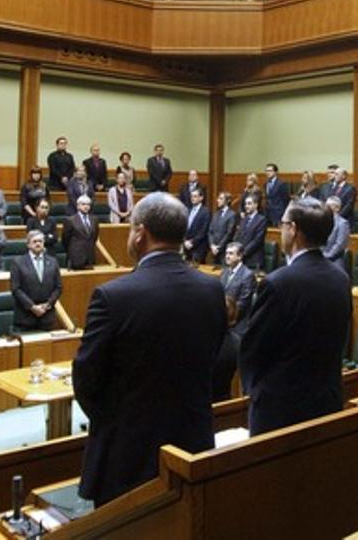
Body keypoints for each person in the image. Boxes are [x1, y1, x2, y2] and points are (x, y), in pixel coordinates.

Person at [73, 193, 226, 505]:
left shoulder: (113, 296)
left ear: (140, 233)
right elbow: (214, 356)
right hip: (192, 440)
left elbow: (86, 378)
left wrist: (118, 418)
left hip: (128, 452)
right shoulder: (212, 288)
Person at [240, 198, 351, 434]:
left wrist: (256, 393)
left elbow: (253, 351)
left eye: (283, 224)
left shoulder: (278, 282)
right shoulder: (341, 278)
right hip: (326, 402)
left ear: (293, 230)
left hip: (280, 410)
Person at [10, 230, 62, 331]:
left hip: (47, 317)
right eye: (34, 241)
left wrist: (48, 304)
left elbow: (58, 287)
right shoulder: (18, 262)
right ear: (28, 244)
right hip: (25, 318)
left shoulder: (53, 261)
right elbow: (16, 289)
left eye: (40, 241)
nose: (38, 244)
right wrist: (32, 307)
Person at [220, 241, 256, 336]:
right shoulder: (225, 272)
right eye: (226, 253)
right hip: (223, 316)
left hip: (237, 320)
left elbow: (243, 303)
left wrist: (225, 313)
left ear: (240, 256)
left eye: (231, 253)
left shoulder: (248, 275)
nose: (227, 256)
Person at [63, 195, 99, 270]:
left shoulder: (94, 219)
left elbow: (94, 237)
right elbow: (65, 239)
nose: (86, 207)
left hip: (89, 257)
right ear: (78, 206)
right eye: (83, 204)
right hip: (76, 257)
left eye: (88, 204)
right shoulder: (70, 220)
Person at [235, 194, 268, 270]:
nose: (246, 206)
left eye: (249, 203)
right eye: (245, 204)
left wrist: (242, 253)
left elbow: (257, 241)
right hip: (242, 260)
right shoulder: (244, 219)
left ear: (256, 205)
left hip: (254, 261)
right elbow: (238, 236)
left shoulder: (262, 220)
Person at [206, 191, 238, 264]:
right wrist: (212, 245)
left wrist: (219, 247)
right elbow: (210, 231)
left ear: (227, 201)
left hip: (224, 251)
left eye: (220, 198)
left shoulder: (232, 214)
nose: (218, 200)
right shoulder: (216, 213)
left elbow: (229, 233)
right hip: (213, 250)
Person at [183, 188, 211, 263]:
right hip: (186, 246)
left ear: (201, 198)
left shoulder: (205, 211)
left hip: (199, 247)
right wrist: (185, 241)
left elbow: (203, 231)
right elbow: (185, 227)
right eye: (191, 196)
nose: (192, 198)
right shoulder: (188, 210)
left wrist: (192, 242)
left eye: (195, 196)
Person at [322, 196, 350, 265]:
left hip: (335, 259)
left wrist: (327, 256)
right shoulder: (321, 220)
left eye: (328, 206)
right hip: (320, 257)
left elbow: (340, 244)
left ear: (337, 208)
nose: (325, 208)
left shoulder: (342, 223)